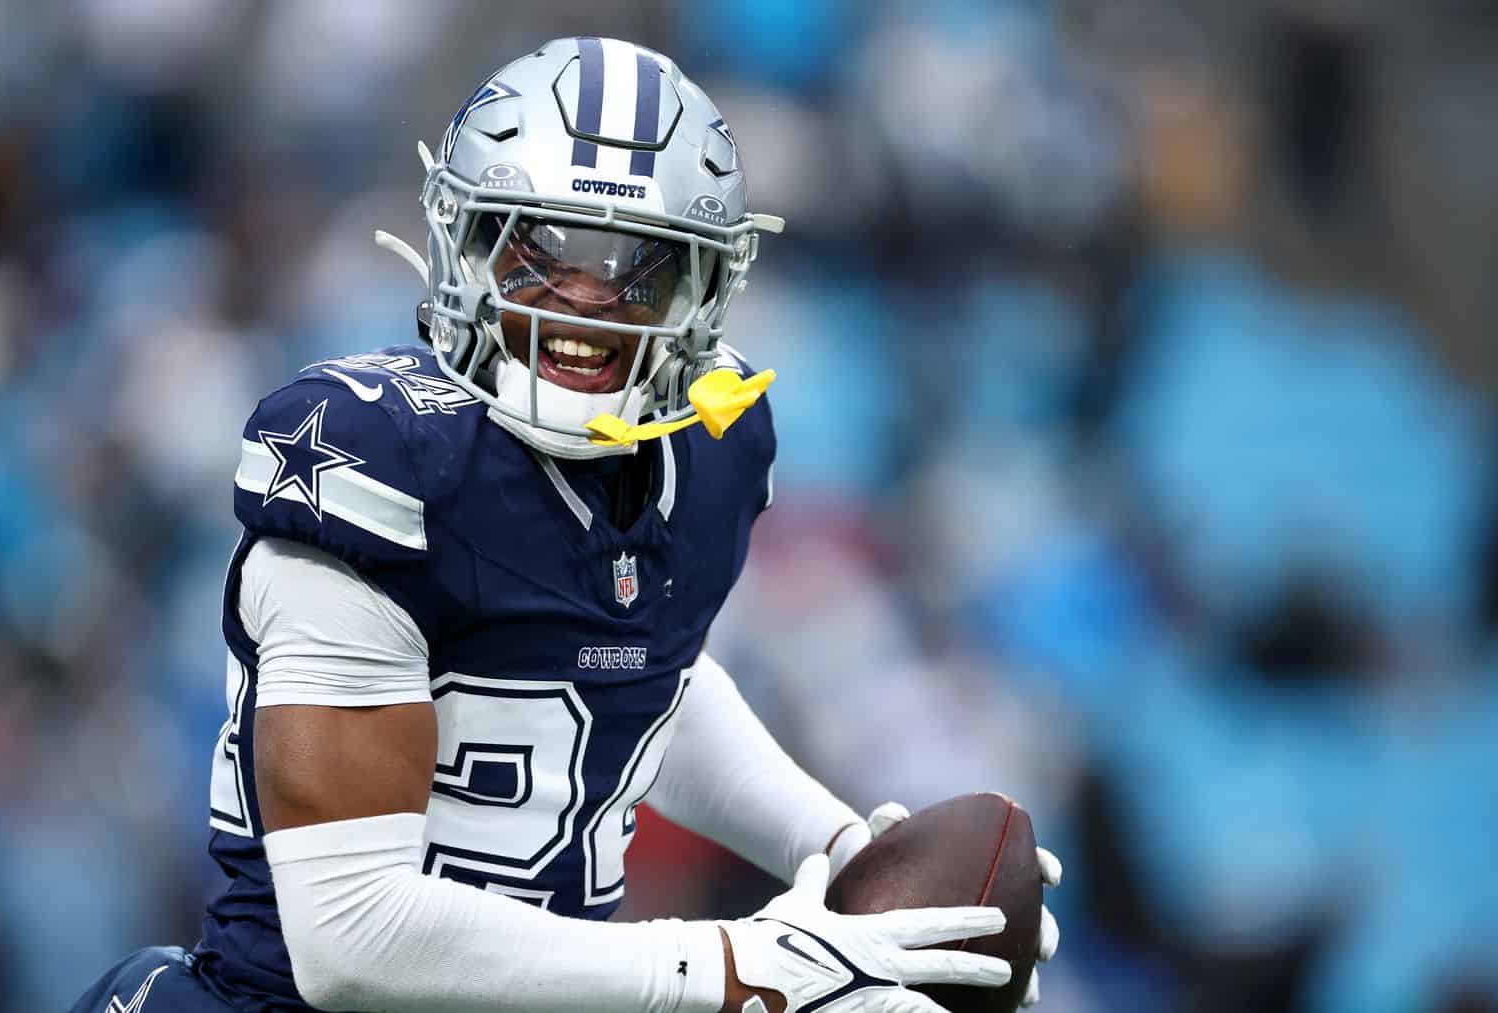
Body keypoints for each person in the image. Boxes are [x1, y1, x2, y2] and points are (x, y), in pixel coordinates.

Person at [69, 37, 1061, 1013]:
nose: (584, 305)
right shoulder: (373, 455)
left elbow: (631, 676)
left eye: (637, 269)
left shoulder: (709, 446)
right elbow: (349, 934)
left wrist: (844, 849)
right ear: (462, 243)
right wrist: (729, 966)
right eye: (542, 255)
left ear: (707, 288)